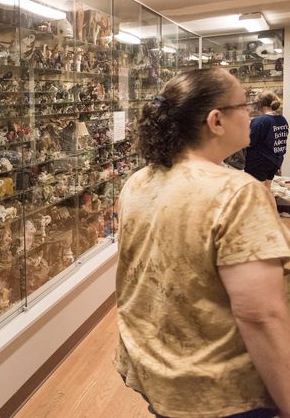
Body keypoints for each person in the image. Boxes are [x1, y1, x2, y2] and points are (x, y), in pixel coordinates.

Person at [115, 68, 290, 418]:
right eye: (245, 105)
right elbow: (260, 315)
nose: (250, 114)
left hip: (159, 374)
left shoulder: (138, 181)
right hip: (222, 391)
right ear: (216, 121)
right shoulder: (237, 192)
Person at [245, 90, 288, 189]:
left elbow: (249, 142)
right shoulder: (282, 119)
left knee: (257, 193)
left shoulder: (260, 121)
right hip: (275, 160)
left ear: (259, 104)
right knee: (268, 190)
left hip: (259, 162)